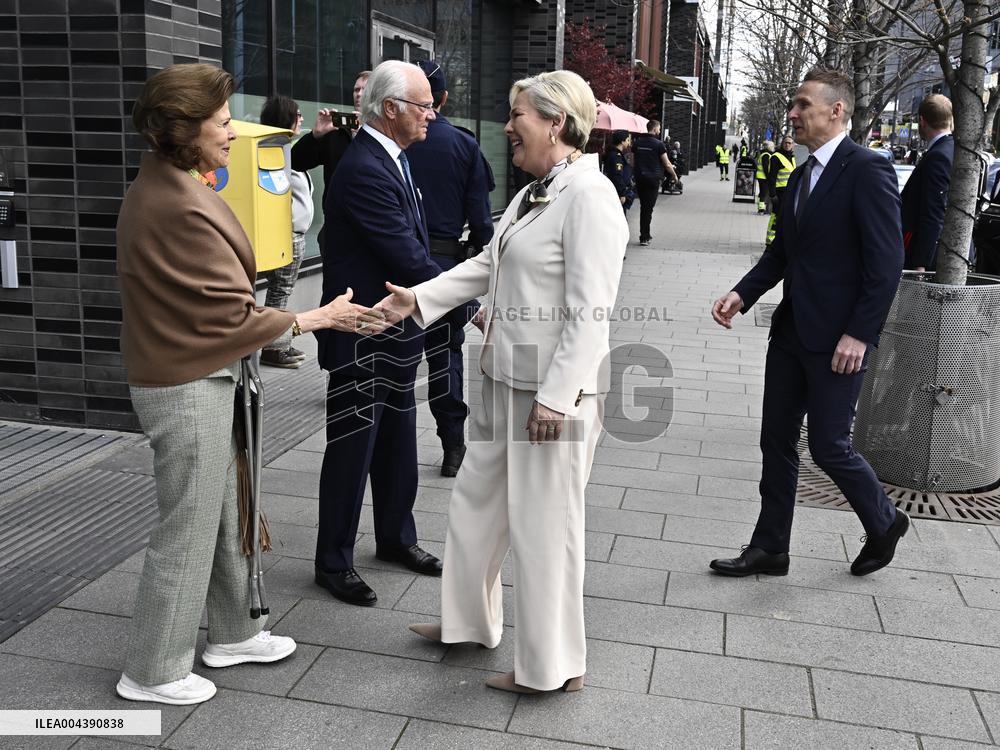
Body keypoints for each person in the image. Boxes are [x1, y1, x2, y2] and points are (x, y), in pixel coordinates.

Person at [114, 64, 388, 705]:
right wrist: (317, 316)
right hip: (185, 384)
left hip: (200, 375)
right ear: (184, 131)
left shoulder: (171, 184)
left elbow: (219, 305)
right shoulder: (172, 200)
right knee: (188, 524)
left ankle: (235, 632)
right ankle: (151, 671)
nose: (232, 131)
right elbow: (227, 313)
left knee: (226, 509)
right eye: (220, 122)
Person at [377, 70, 628, 694]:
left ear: (556, 124)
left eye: (518, 114)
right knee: (475, 506)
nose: (509, 125)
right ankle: (468, 624)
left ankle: (551, 668)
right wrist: (417, 299)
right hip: (504, 380)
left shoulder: (589, 197)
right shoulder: (532, 193)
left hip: (550, 395)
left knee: (547, 531)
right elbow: (487, 264)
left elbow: (590, 310)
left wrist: (556, 395)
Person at [708, 68, 907, 580]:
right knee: (775, 440)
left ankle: (884, 522)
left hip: (839, 341)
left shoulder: (868, 169)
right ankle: (770, 547)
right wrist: (741, 293)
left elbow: (885, 265)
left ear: (835, 110)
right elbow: (782, 253)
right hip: (792, 332)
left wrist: (860, 333)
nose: (792, 114)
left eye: (801, 105)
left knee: (828, 445)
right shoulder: (800, 175)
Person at [314, 60, 444, 607]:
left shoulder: (392, 156)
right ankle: (332, 561)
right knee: (351, 450)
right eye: (422, 105)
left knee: (395, 445)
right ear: (390, 109)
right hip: (363, 331)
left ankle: (395, 538)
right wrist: (468, 296)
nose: (431, 115)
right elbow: (405, 255)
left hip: (397, 332)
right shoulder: (366, 166)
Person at [406, 59, 495, 477]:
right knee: (444, 358)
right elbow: (481, 223)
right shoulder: (463, 145)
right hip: (443, 265)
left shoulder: (390, 141)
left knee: (395, 359)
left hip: (392, 268)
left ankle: (394, 447)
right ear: (443, 98)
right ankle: (453, 445)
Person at [259, 94, 315, 368]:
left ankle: (279, 344)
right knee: (280, 292)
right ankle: (275, 347)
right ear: (286, 119)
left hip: (291, 233)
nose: (302, 119)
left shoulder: (285, 149)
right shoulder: (276, 151)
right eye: (298, 115)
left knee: (280, 291)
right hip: (286, 235)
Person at [290, 70, 370, 253]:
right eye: (356, 89)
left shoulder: (385, 133)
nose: (358, 94)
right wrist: (315, 136)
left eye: (364, 89)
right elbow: (295, 162)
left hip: (370, 225)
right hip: (337, 227)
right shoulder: (336, 131)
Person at [901, 94, 954, 272]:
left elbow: (934, 212)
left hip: (928, 259)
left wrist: (920, 262)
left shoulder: (938, 156)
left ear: (922, 121)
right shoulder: (955, 149)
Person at [632, 119, 678, 246]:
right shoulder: (659, 144)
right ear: (654, 129)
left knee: (644, 207)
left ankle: (645, 234)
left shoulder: (637, 143)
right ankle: (644, 236)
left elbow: (632, 161)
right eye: (659, 128)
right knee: (648, 208)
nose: (659, 130)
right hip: (653, 180)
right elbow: (667, 163)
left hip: (640, 179)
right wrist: (674, 176)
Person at [765, 136, 797, 245]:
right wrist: (773, 194)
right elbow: (771, 177)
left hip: (789, 192)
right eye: (786, 143)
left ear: (793, 145)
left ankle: (779, 239)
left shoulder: (791, 157)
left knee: (784, 216)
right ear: (782, 144)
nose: (787, 145)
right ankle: (770, 239)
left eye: (790, 143)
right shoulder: (776, 157)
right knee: (776, 214)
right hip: (779, 192)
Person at [603, 129, 634, 212]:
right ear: (622, 141)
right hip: (617, 193)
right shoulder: (616, 156)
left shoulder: (616, 154)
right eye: (627, 140)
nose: (628, 142)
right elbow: (617, 175)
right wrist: (622, 193)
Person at [755, 141, 775, 214]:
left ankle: (761, 207)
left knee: (763, 192)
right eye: (773, 146)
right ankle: (761, 209)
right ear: (769, 147)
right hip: (763, 177)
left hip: (761, 176)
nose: (773, 148)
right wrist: (768, 177)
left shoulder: (764, 154)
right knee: (764, 192)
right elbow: (765, 168)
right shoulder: (766, 155)